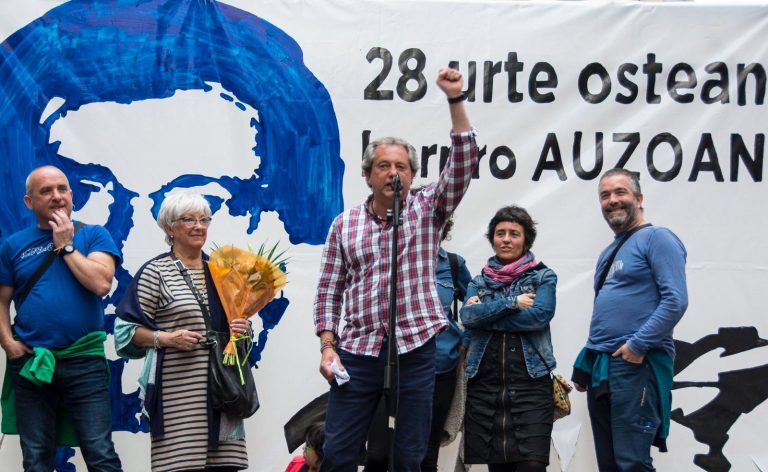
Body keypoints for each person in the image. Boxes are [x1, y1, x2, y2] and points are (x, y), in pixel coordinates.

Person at [313, 67, 478, 471]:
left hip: (415, 349)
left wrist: (456, 100)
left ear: (413, 175)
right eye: (384, 166)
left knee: (410, 455)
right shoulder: (344, 224)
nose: (393, 173)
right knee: (338, 453)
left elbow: (462, 165)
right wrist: (328, 346)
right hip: (357, 351)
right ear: (368, 175)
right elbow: (328, 292)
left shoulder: (428, 210)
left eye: (401, 167)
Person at [114, 190, 251, 472]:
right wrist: (164, 338)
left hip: (223, 392)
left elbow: (239, 338)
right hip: (177, 395)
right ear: (169, 227)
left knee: (224, 467)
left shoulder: (223, 271)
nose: (199, 226)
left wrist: (243, 329)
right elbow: (124, 332)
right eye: (188, 220)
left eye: (204, 219)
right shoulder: (156, 272)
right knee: (180, 466)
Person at [0, 165, 123, 471]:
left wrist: (65, 245)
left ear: (71, 194)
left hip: (85, 362)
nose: (56, 197)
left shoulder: (93, 234)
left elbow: (101, 284)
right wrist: (8, 345)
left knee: (100, 452)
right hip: (33, 363)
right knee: (37, 456)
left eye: (61, 189)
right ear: (29, 202)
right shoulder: (13, 245)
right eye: (46, 191)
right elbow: (1, 303)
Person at [571, 168, 688, 472]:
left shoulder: (657, 238)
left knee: (632, 463)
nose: (612, 200)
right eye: (605, 195)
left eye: (620, 192)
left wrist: (637, 345)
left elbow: (675, 300)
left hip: (637, 363)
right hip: (604, 367)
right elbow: (605, 314)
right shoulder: (609, 252)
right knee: (610, 465)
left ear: (639, 197)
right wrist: (587, 364)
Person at [363, 215, 472, 472]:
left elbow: (476, 312)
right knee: (378, 453)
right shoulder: (386, 259)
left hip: (439, 368)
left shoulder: (454, 265)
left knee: (425, 454)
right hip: (392, 366)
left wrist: (464, 345)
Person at [460, 205, 558, 472]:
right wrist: (513, 303)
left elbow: (539, 316)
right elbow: (467, 318)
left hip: (531, 385)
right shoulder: (479, 281)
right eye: (500, 233)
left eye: (514, 233)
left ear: (526, 239)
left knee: (532, 467)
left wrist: (486, 315)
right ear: (492, 238)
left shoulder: (543, 276)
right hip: (485, 389)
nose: (506, 239)